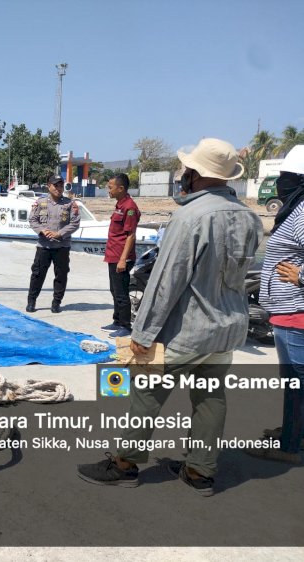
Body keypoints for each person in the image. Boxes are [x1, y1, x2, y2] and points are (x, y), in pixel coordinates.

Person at [77, 138, 263, 496]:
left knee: (146, 393)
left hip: (186, 331)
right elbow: (246, 277)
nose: (182, 174)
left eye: (186, 169)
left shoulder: (190, 217)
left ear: (195, 174)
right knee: (210, 398)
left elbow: (166, 282)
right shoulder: (249, 218)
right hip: (226, 330)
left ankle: (125, 464)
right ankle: (199, 471)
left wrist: (143, 332)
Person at [253, 144, 304, 464]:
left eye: (286, 176)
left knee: (296, 383)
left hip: (296, 312)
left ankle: (290, 447)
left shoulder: (302, 211)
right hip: (288, 311)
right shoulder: (295, 207)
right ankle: (294, 432)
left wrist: (300, 276)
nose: (280, 182)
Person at [25, 174, 81, 313]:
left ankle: (56, 302)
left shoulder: (70, 204)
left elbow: (75, 223)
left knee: (61, 275)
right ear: (48, 186)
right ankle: (31, 301)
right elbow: (33, 220)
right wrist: (42, 231)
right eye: (55, 185)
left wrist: (59, 233)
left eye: (61, 185)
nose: (59, 188)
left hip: (62, 247)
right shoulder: (40, 202)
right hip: (44, 246)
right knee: (37, 274)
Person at [101, 173, 140, 338]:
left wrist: (123, 259)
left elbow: (130, 235)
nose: (108, 190)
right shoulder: (120, 205)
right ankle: (117, 320)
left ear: (121, 188)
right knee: (114, 290)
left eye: (110, 187)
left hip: (121, 257)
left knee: (121, 292)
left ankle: (125, 325)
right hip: (113, 254)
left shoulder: (129, 208)